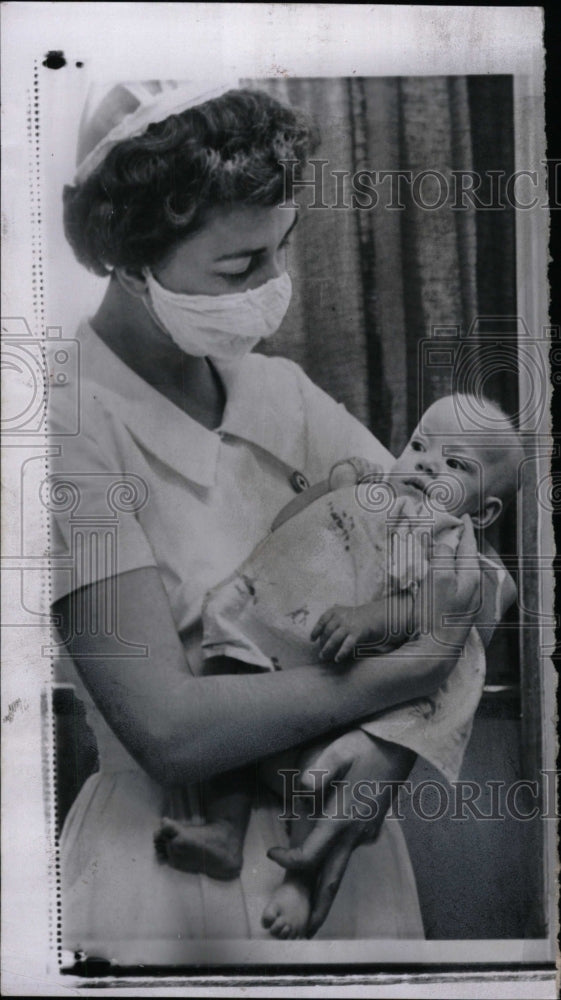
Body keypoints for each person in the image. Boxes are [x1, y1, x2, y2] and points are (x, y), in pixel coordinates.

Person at [50, 80, 488, 965]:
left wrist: (390, 755)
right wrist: (400, 681)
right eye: (239, 267)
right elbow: (171, 729)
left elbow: (466, 566)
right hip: (164, 876)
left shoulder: (279, 392)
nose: (272, 288)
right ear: (132, 263)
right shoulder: (62, 426)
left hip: (339, 847)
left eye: (281, 250)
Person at [154, 393, 520, 939]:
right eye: (419, 445)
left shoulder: (446, 537)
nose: (426, 464)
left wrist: (372, 617)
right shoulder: (373, 491)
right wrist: (332, 488)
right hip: (280, 651)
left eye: (455, 464)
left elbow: (430, 610)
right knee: (228, 683)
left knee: (321, 777)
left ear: (484, 511)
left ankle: (299, 880)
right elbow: (281, 529)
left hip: (345, 684)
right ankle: (224, 835)